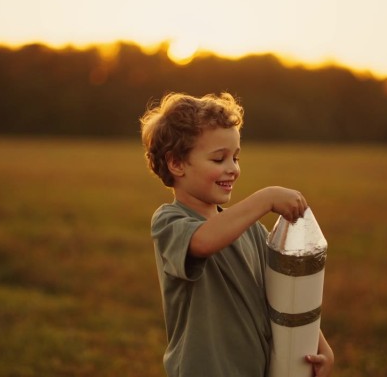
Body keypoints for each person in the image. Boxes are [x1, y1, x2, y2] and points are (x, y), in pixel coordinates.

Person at [140, 92, 334, 377]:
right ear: (176, 163)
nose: (232, 169)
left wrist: (320, 345)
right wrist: (265, 198)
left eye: (236, 157)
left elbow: (282, 293)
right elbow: (204, 241)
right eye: (219, 159)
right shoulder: (169, 222)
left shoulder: (252, 231)